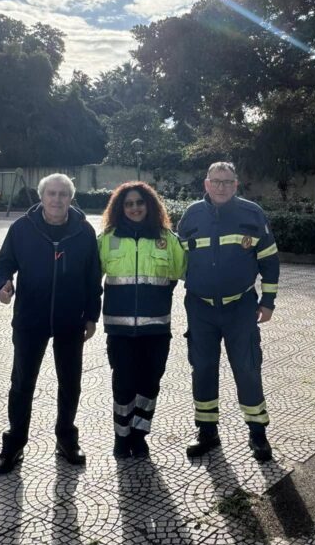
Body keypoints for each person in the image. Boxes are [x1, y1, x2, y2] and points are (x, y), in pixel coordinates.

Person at [0, 173, 101, 475]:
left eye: (63, 194)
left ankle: (66, 438)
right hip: (30, 319)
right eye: (51, 193)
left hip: (70, 319)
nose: (56, 199)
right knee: (22, 383)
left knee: (70, 382)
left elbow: (93, 277)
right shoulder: (22, 228)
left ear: (71, 198)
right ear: (42, 197)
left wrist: (92, 315)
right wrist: (2, 284)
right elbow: (3, 265)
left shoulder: (83, 231)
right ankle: (14, 443)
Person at [177, 162, 279, 462]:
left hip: (240, 307)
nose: (221, 187)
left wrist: (268, 301)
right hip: (200, 308)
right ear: (206, 184)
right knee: (203, 369)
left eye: (227, 182)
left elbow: (269, 260)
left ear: (236, 185)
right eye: (216, 181)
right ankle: (207, 431)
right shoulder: (192, 215)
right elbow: (178, 259)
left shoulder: (252, 214)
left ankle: (257, 433)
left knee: (247, 368)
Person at [98, 181, 186, 459]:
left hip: (156, 329)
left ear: (149, 205)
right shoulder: (107, 239)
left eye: (139, 202)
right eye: (128, 204)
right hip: (119, 331)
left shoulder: (167, 239)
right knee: (123, 384)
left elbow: (179, 272)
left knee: (150, 384)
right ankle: (121, 436)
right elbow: (89, 279)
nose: (135, 208)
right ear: (120, 208)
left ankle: (139, 435)